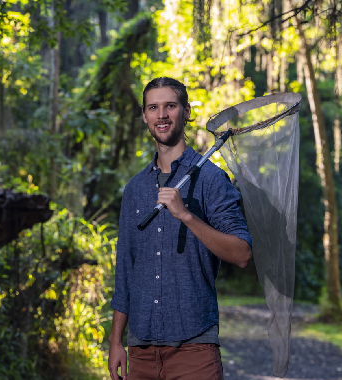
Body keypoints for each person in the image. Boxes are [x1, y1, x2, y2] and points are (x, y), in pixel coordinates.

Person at [108, 77, 252, 380]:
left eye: (170, 106)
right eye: (153, 108)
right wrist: (115, 341)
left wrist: (186, 215)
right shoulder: (135, 189)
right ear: (145, 116)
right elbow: (125, 269)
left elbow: (242, 254)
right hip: (141, 351)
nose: (161, 115)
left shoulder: (212, 180)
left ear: (186, 111)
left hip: (194, 349)